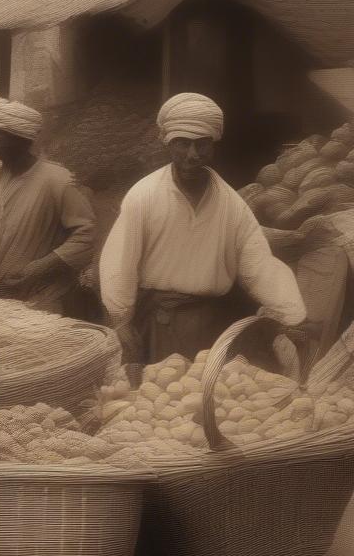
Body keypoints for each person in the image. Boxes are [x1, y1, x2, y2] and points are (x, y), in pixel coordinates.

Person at [100, 92, 308, 364]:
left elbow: (258, 264)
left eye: (202, 144)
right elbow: (120, 260)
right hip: (161, 323)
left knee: (208, 395)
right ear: (168, 144)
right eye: (182, 144)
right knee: (163, 397)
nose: (192, 155)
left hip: (212, 325)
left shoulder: (231, 203)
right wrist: (121, 321)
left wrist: (292, 315)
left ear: (214, 145)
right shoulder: (144, 196)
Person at [0, 97, 95, 314]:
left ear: (21, 140)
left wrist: (38, 269)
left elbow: (85, 236)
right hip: (0, 296)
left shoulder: (58, 180)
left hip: (44, 300)